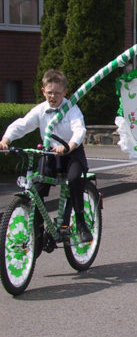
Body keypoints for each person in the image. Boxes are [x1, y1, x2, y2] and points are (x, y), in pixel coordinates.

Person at [0, 69, 92, 242]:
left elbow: (79, 130)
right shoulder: (40, 110)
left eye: (57, 93)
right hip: (49, 153)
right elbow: (22, 125)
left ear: (65, 92)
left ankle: (80, 222)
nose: (53, 97)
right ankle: (38, 230)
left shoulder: (71, 109)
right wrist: (6, 140)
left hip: (71, 153)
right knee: (37, 187)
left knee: (74, 179)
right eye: (49, 93)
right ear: (43, 91)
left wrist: (69, 146)